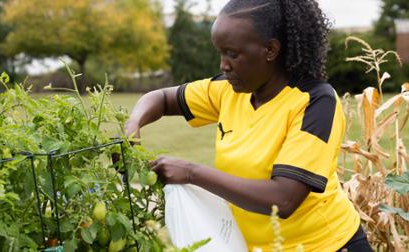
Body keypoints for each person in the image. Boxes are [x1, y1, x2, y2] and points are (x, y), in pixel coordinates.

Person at [125, 0, 372, 251]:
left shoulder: (314, 101)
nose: (223, 65)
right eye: (220, 53)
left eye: (233, 54)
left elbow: (284, 199)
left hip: (329, 245)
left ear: (270, 50)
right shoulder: (229, 91)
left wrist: (191, 172)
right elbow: (162, 99)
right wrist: (133, 125)